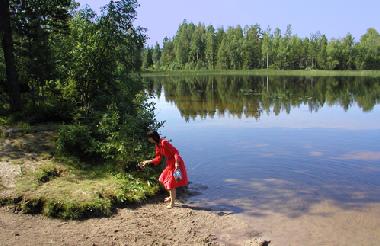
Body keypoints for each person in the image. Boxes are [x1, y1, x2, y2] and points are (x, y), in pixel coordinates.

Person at [140, 130, 189, 208]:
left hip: (176, 163)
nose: (148, 140)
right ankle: (171, 196)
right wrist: (148, 161)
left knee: (171, 184)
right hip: (170, 164)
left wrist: (176, 162)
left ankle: (172, 203)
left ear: (153, 137)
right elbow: (158, 158)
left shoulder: (164, 142)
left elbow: (175, 152)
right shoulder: (157, 145)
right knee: (162, 179)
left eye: (149, 138)